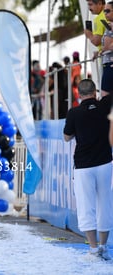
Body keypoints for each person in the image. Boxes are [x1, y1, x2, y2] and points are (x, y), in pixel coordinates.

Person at [63, 79, 113, 261]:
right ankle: (103, 247)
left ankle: (92, 250)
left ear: (78, 94)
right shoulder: (105, 106)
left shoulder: (74, 112)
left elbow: (67, 137)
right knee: (105, 204)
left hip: (84, 165)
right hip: (105, 162)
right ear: (95, 92)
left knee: (86, 206)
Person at [99, 2, 113, 96]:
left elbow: (108, 46)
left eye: (107, 11)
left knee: (105, 97)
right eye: (104, 11)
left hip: (110, 64)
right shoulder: (110, 26)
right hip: (108, 63)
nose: (105, 14)